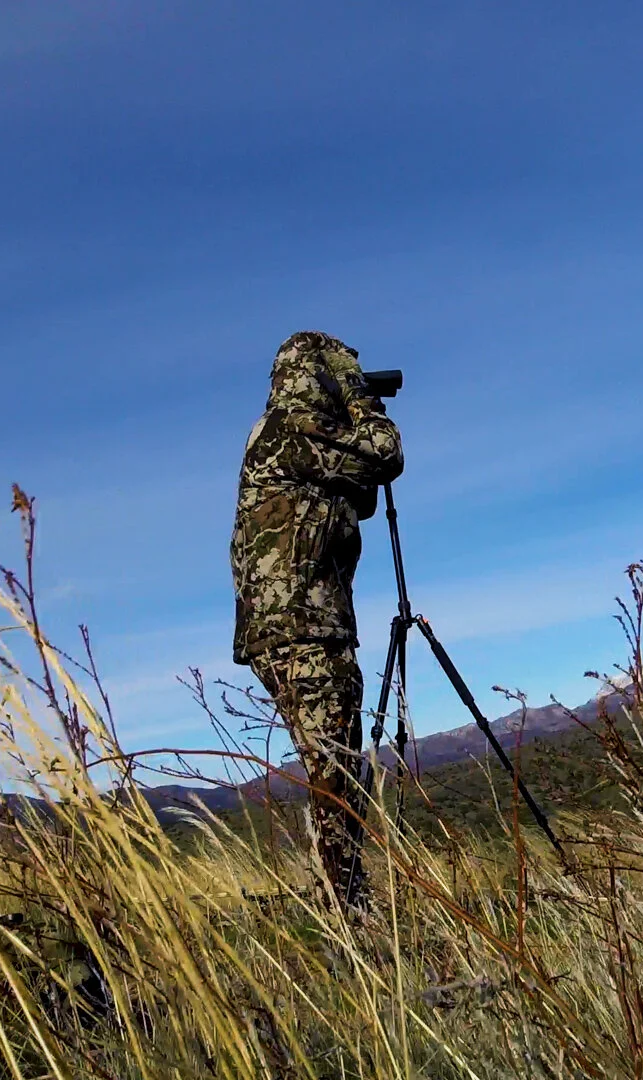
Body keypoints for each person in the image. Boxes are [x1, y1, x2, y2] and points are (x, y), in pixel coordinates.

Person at [231, 330, 403, 905]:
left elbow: (360, 491)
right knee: (335, 772)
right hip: (303, 629)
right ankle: (346, 907)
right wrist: (360, 401)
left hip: (297, 628)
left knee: (337, 765)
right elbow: (384, 454)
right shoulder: (288, 426)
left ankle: (345, 895)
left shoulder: (282, 438)